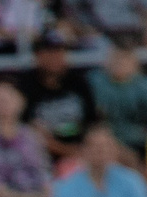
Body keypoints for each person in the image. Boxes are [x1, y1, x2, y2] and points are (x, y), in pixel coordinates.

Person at [12, 26, 96, 163]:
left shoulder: (77, 81)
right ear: (38, 55)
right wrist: (68, 151)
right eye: (50, 52)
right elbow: (26, 129)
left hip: (83, 149)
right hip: (43, 156)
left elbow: (93, 120)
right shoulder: (26, 85)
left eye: (59, 52)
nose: (56, 57)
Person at [85, 41, 147, 159]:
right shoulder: (95, 82)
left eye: (125, 59)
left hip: (140, 142)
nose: (120, 63)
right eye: (116, 58)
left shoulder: (145, 85)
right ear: (107, 61)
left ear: (135, 64)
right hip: (106, 141)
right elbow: (95, 120)